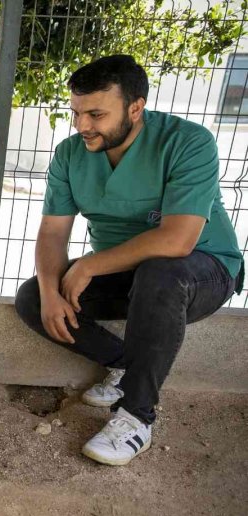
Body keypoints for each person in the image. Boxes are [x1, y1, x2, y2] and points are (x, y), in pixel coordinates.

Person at [14, 55, 244, 466]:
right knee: (33, 296)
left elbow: (178, 239)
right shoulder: (71, 154)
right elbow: (52, 233)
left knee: (161, 274)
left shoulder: (189, 142)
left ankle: (136, 418)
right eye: (77, 113)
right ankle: (124, 367)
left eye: (97, 114)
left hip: (200, 269)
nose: (83, 125)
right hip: (122, 271)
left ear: (136, 108)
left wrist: (88, 265)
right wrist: (52, 292)